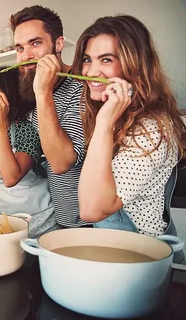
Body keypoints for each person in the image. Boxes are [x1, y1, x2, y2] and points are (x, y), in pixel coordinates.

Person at [72, 15, 186, 263]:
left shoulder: (152, 128)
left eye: (106, 60)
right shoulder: (120, 116)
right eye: (87, 60)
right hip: (121, 251)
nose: (91, 72)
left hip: (147, 260)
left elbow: (92, 209)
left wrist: (104, 122)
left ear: (134, 65)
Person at [10, 6, 87, 228]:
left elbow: (62, 162)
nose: (26, 56)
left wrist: (43, 92)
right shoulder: (34, 88)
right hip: (61, 219)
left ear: (59, 44)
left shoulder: (83, 86)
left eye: (35, 43)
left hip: (93, 222)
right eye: (19, 48)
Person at [0, 66, 57, 238]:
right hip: (1, 225)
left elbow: (10, 178)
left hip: (39, 223)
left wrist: (0, 123)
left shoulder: (27, 129)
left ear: (7, 93)